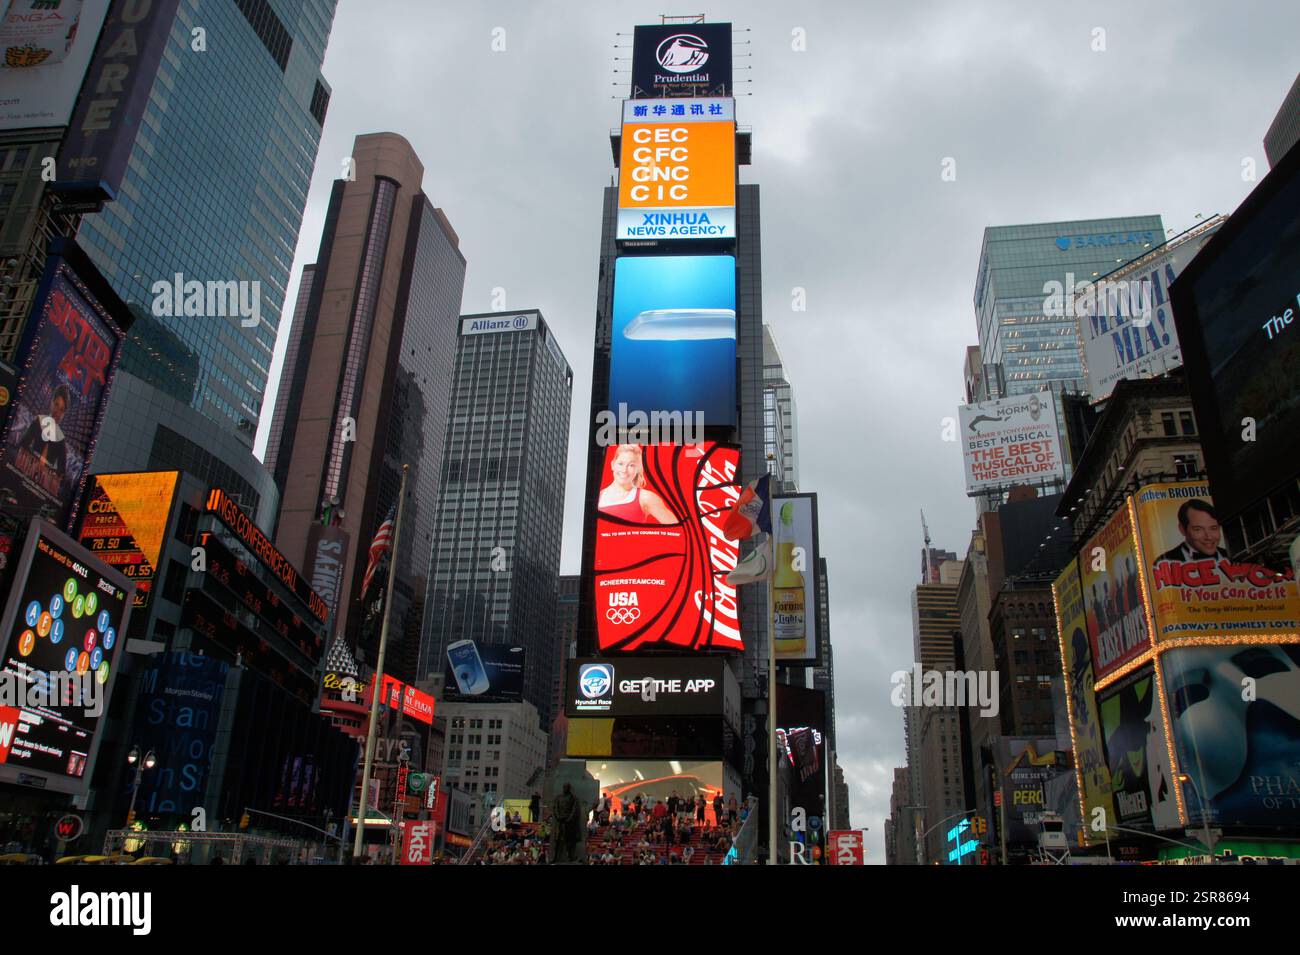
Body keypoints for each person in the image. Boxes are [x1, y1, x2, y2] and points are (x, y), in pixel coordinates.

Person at [597, 444, 678, 524]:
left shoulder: (646, 497)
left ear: (638, 469)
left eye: (631, 465)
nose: (624, 470)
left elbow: (678, 530)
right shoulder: (598, 496)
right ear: (612, 465)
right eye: (620, 464)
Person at [15, 385, 70, 487]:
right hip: (25, 472)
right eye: (56, 405)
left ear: (64, 414)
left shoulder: (61, 439)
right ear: (51, 403)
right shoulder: (38, 421)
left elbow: (61, 473)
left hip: (43, 484)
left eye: (62, 410)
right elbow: (22, 445)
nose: (57, 412)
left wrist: (48, 474)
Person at [1156, 499, 1230, 566]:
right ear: (1182, 529)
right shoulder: (1164, 562)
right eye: (1198, 529)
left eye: (1213, 528)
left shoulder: (1233, 556)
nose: (1209, 537)